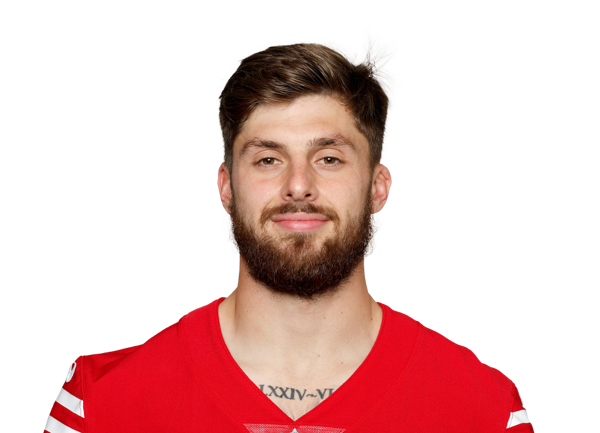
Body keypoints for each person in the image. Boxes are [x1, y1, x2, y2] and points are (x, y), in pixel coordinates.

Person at [45, 34, 534, 432]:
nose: (298, 185)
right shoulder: (98, 405)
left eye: (329, 158)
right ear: (226, 186)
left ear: (377, 187)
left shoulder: (486, 411)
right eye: (268, 159)